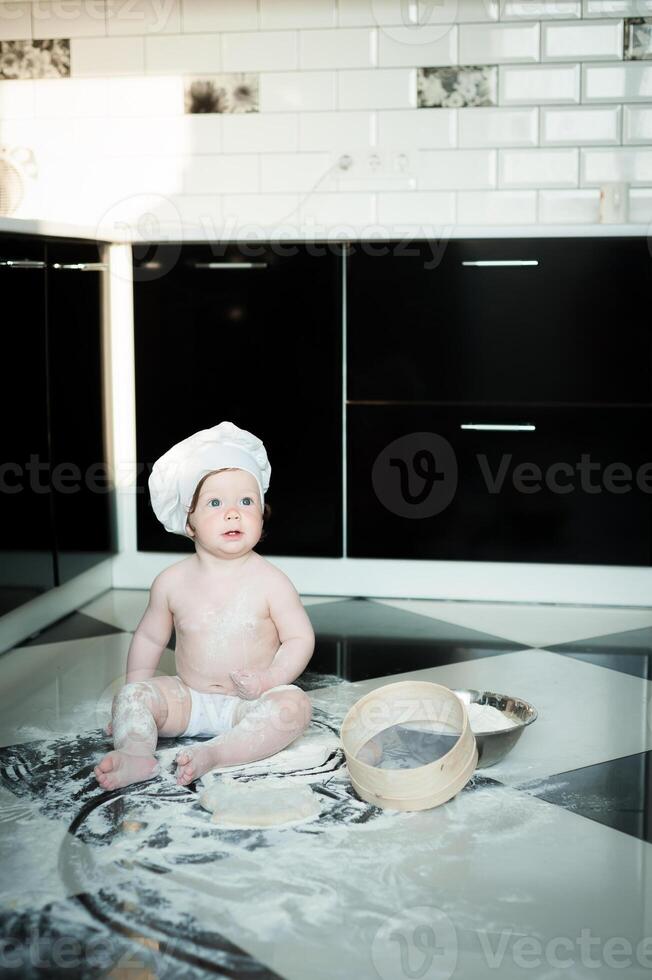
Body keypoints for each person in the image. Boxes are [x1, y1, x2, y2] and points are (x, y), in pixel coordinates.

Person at [94, 421, 314, 791]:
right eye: (215, 503)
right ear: (189, 522)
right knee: (131, 696)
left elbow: (299, 638)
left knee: (293, 707)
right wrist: (137, 694)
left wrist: (270, 679)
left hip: (251, 702)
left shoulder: (271, 581)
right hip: (187, 699)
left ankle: (217, 754)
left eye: (247, 501)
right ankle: (135, 754)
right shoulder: (171, 582)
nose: (233, 512)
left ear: (262, 514)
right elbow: (149, 638)